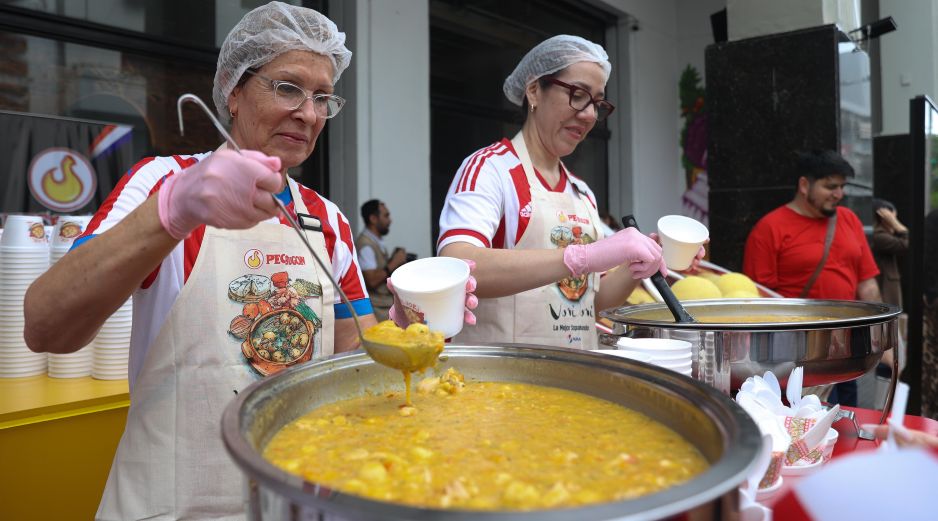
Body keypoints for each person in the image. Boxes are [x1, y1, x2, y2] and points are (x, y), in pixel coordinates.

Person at [22, 3, 473, 519]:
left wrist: (408, 329)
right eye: (288, 88)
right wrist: (174, 211)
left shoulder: (328, 222)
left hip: (292, 500)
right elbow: (46, 327)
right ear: (233, 92)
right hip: (171, 504)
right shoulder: (161, 183)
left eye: (323, 97)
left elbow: (353, 360)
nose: (308, 112)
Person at [437, 35, 702, 349]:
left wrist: (637, 263)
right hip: (499, 385)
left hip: (575, 380)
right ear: (534, 90)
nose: (590, 114)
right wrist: (582, 255)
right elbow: (455, 265)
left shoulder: (582, 193)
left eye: (598, 103)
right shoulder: (490, 169)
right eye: (578, 95)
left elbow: (590, 301)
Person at [743, 150, 881, 407]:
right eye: (830, 186)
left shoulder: (849, 220)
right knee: (805, 427)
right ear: (804, 185)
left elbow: (867, 282)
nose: (838, 194)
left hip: (847, 348)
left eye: (841, 186)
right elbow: (757, 301)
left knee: (848, 424)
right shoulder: (770, 228)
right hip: (797, 356)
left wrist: (882, 338)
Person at [355, 199, 408, 321]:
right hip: (378, 311)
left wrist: (395, 260)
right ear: (373, 218)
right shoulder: (365, 245)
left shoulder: (375, 240)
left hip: (384, 307)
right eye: (386, 216)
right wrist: (394, 262)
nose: (390, 220)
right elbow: (372, 280)